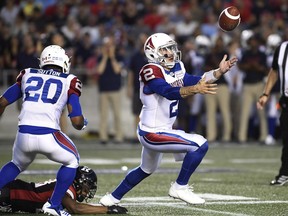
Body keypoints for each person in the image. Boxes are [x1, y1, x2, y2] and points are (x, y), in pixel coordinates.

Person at [99, 33, 237, 206]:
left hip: (162, 129)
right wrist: (194, 89)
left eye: (171, 48)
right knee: (200, 144)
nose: (170, 52)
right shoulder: (149, 70)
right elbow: (167, 90)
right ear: (152, 52)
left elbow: (197, 80)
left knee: (145, 169)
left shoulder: (178, 66)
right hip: (152, 132)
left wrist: (218, 72)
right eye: (164, 49)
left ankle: (111, 199)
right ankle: (180, 187)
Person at [0, 45, 88, 216]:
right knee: (72, 160)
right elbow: (76, 120)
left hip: (23, 134)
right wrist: (83, 123)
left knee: (16, 163)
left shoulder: (27, 73)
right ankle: (53, 205)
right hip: (48, 134)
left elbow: (2, 102)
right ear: (63, 62)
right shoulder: (69, 80)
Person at [0, 166, 128, 214]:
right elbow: (75, 208)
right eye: (85, 189)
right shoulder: (67, 188)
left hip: (11, 194)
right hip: (7, 193)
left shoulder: (67, 184)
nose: (86, 193)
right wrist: (108, 209)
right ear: (78, 182)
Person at [257, 40, 288, 186]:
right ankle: (285, 173)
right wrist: (265, 94)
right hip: (286, 101)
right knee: (286, 140)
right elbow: (274, 71)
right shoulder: (282, 48)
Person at [96, 35, 124, 144]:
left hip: (115, 90)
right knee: (103, 115)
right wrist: (104, 57)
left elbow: (117, 70)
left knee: (117, 114)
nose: (108, 48)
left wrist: (112, 57)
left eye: (110, 46)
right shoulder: (100, 58)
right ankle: (103, 136)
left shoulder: (119, 57)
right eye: (106, 46)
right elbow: (99, 70)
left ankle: (119, 136)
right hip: (103, 90)